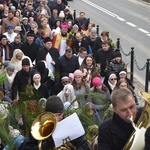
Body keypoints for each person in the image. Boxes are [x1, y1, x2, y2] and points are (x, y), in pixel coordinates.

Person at [18, 95, 90, 150]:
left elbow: (85, 146)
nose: (56, 119)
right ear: (47, 114)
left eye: (59, 115)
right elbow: (27, 148)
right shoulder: (39, 127)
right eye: (53, 116)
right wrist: (45, 146)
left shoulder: (69, 125)